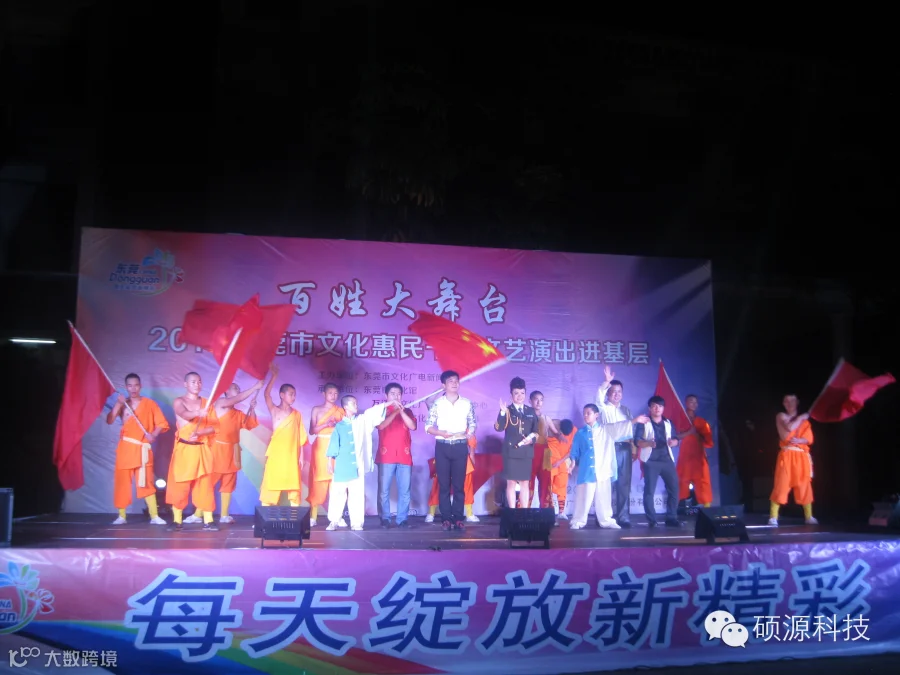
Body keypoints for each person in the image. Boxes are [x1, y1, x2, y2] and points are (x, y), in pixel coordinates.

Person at [570, 404, 649, 530]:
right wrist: (573, 461)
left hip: (602, 469)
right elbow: (574, 450)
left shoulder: (606, 430)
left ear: (596, 415)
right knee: (583, 497)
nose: (585, 416)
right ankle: (578, 521)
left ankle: (606, 520)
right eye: (584, 413)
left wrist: (634, 420)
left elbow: (619, 427)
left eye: (588, 413)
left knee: (603, 497)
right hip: (586, 470)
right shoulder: (580, 433)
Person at [105, 373, 169, 525]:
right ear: (126, 387)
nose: (133, 388)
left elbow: (162, 423)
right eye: (130, 385)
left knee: (146, 482)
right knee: (122, 482)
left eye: (136, 385)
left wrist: (153, 435)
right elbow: (110, 420)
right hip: (126, 448)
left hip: (143, 449)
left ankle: (154, 516)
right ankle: (121, 516)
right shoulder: (123, 403)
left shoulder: (149, 404)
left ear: (140, 386)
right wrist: (118, 404)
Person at [325, 395, 395, 531]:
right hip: (342, 465)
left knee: (356, 495)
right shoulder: (339, 426)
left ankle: (356, 523)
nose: (356, 406)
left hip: (357, 465)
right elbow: (334, 445)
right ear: (346, 407)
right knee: (337, 494)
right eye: (353, 403)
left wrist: (388, 404)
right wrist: (329, 462)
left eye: (356, 403)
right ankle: (334, 520)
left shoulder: (361, 421)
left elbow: (372, 413)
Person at [424, 370, 477, 531]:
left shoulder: (467, 403)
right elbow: (428, 426)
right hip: (443, 446)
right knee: (444, 485)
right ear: (444, 385)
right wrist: (440, 433)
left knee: (459, 485)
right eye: (450, 381)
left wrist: (469, 432)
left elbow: (473, 423)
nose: (454, 383)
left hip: (460, 445)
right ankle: (446, 518)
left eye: (456, 381)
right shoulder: (437, 404)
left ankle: (458, 518)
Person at [166, 372, 218, 531]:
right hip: (185, 450)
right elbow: (184, 414)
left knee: (205, 485)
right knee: (180, 486)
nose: (197, 384)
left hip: (202, 449)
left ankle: (208, 521)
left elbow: (214, 427)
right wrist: (198, 413)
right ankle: (177, 521)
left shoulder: (207, 403)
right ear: (186, 384)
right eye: (193, 382)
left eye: (199, 382)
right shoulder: (179, 401)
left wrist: (200, 433)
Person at [206, 381, 262, 524]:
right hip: (217, 450)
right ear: (226, 392)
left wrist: (252, 409)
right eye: (234, 388)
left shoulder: (237, 414)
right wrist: (254, 387)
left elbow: (250, 424)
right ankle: (200, 514)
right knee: (208, 483)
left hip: (232, 452)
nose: (238, 390)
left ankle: (224, 515)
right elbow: (237, 399)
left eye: (239, 388)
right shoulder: (220, 403)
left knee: (228, 484)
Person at [259, 364, 308, 507]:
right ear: (282, 395)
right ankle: (266, 514)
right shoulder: (275, 410)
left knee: (293, 485)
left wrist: (301, 456)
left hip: (292, 455)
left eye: (294, 394)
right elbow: (266, 395)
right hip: (276, 454)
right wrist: (274, 376)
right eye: (291, 394)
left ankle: (295, 514)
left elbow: (300, 437)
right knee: (271, 481)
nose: (293, 397)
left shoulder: (296, 414)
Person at [596, 365, 636, 527]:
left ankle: (623, 517)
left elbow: (631, 430)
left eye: (619, 391)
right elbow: (598, 398)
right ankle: (604, 517)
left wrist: (633, 448)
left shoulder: (626, 410)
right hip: (609, 448)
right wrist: (606, 382)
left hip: (625, 449)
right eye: (613, 391)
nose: (617, 394)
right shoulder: (603, 408)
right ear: (608, 393)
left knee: (624, 484)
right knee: (607, 484)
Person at [634, 395, 683, 528]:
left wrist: (674, 442)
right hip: (651, 461)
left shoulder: (668, 422)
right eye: (654, 406)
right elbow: (637, 441)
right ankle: (652, 520)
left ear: (663, 408)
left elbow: (676, 439)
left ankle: (671, 518)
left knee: (674, 489)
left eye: (660, 406)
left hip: (667, 460)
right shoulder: (644, 422)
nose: (657, 409)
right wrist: (648, 443)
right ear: (650, 408)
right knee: (649, 490)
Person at [769, 394, 817, 526]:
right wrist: (802, 416)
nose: (789, 403)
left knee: (804, 485)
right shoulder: (781, 416)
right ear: (783, 404)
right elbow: (789, 428)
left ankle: (809, 516)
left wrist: (801, 440)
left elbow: (809, 439)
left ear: (797, 402)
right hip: (787, 455)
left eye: (792, 401)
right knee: (781, 484)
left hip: (801, 456)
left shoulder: (805, 423)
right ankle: (773, 517)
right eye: (786, 401)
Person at [375, 383, 417, 528]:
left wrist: (402, 412)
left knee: (405, 490)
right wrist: (394, 412)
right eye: (392, 394)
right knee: (383, 490)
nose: (396, 396)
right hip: (386, 456)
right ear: (386, 395)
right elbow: (381, 426)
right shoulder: (381, 411)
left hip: (404, 456)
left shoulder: (408, 411)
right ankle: (385, 518)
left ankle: (402, 519)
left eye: (398, 394)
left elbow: (412, 426)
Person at [495, 377, 539, 509]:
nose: (520, 396)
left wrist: (532, 439)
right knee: (511, 483)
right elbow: (498, 428)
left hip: (526, 452)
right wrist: (502, 412)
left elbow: (536, 432)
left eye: (522, 393)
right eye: (516, 393)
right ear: (511, 395)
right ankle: (513, 512)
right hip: (511, 452)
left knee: (525, 483)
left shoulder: (530, 411)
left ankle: (524, 512)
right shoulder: (507, 410)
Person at [308, 383, 344, 527]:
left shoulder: (340, 411)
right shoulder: (316, 410)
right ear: (324, 394)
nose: (333, 396)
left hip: (336, 447)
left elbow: (344, 430)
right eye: (330, 393)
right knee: (318, 480)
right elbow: (312, 431)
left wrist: (336, 425)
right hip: (320, 447)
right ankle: (313, 516)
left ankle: (337, 516)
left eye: (335, 393)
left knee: (336, 481)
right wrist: (326, 424)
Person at [675, 394, 714, 508]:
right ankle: (679, 508)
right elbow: (675, 437)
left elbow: (708, 442)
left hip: (699, 457)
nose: (694, 404)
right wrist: (689, 433)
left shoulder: (701, 422)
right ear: (686, 403)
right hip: (685, 456)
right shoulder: (680, 420)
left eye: (696, 402)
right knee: (682, 480)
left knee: (703, 480)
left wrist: (699, 436)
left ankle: (707, 508)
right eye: (691, 402)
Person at [529, 391, 560, 509]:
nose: (538, 402)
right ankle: (523, 510)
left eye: (541, 400)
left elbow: (556, 433)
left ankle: (546, 510)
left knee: (545, 480)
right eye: (536, 399)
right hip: (531, 450)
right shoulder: (526, 417)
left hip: (545, 452)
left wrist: (562, 436)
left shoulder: (546, 418)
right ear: (530, 401)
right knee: (528, 480)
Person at [546, 418, 576, 520]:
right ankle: (549, 512)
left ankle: (561, 512)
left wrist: (561, 461)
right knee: (547, 487)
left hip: (562, 461)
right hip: (549, 459)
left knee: (562, 486)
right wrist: (557, 433)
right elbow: (546, 422)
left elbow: (572, 450)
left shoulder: (574, 431)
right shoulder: (553, 424)